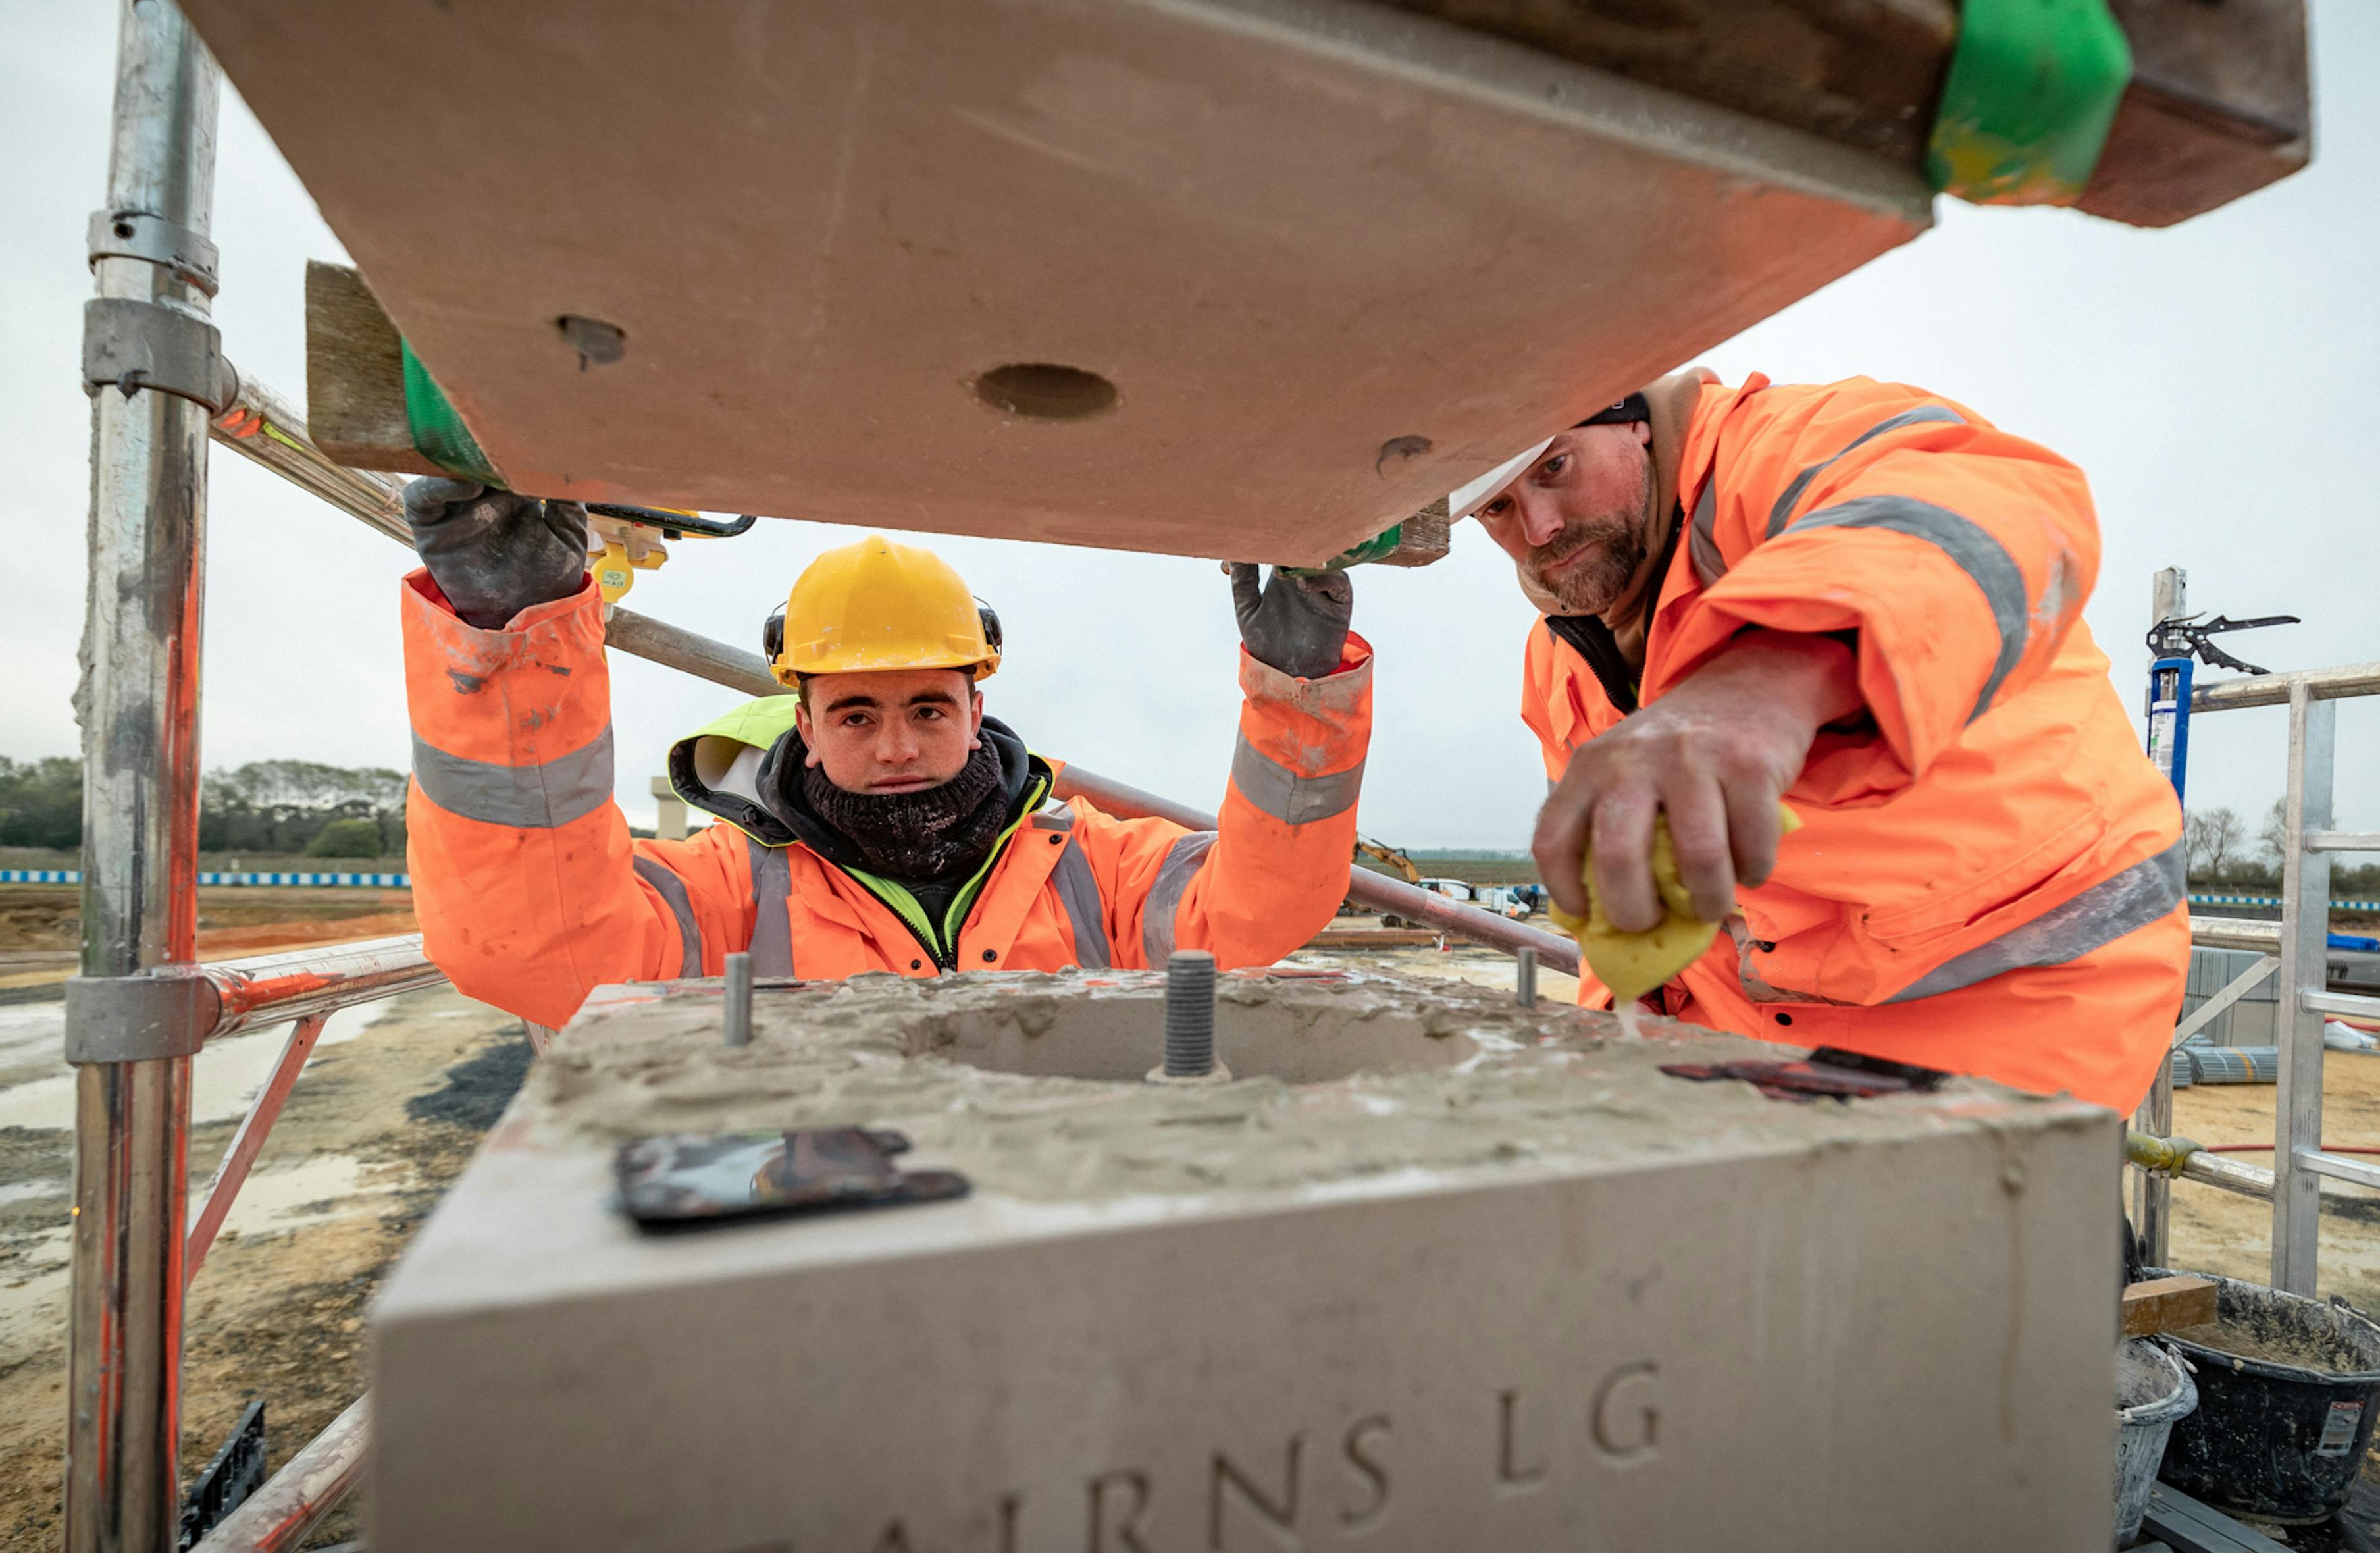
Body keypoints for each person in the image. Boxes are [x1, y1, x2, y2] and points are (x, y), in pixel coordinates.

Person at [1453, 369, 2184, 1113]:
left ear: (1631, 413)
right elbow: (1625, 886)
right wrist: (1624, 1027)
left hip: (2012, 1010)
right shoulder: (1558, 656)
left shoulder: (1787, 448)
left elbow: (1985, 508)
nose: (1538, 529)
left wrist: (1780, 671)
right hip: (1753, 1044)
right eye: (1498, 508)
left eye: (1555, 468)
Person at [396, 481, 1372, 1028]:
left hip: (1059, 1243)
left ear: (977, 702)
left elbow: (1263, 906)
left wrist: (1298, 691)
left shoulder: (1097, 863)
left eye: (928, 709)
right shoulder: (723, 893)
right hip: (829, 1286)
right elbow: (537, 948)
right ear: (804, 722)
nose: (898, 745)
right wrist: (516, 636)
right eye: (857, 714)